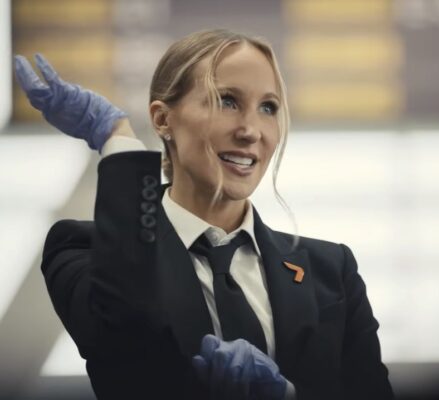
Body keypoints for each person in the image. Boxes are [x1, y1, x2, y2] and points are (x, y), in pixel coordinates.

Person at [14, 29, 393, 400]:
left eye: (268, 108)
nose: (251, 131)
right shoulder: (82, 249)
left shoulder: (331, 269)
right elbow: (125, 334)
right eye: (226, 101)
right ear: (163, 120)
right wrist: (120, 139)